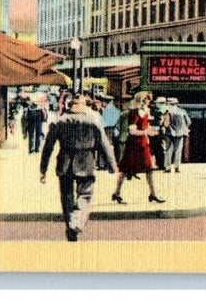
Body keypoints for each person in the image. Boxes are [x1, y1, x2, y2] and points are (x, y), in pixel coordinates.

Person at [39, 94, 118, 241]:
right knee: (85, 196)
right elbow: (104, 145)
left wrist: (43, 169)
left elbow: (48, 147)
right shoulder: (93, 120)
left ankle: (70, 223)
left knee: (67, 197)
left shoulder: (59, 121)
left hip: (65, 163)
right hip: (86, 161)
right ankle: (77, 222)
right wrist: (112, 165)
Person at [111, 92, 164, 205]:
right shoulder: (134, 113)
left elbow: (145, 126)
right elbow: (132, 131)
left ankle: (152, 194)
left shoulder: (144, 112)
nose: (148, 103)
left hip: (143, 143)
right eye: (146, 101)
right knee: (126, 169)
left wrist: (151, 130)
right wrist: (146, 132)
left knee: (149, 168)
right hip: (134, 144)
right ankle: (117, 193)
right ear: (141, 102)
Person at [165, 98, 191, 172]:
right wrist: (184, 128)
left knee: (168, 150)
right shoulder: (182, 111)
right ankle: (177, 167)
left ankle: (168, 167)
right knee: (178, 151)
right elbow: (188, 122)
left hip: (169, 133)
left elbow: (165, 123)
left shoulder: (167, 112)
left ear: (169, 104)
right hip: (180, 133)